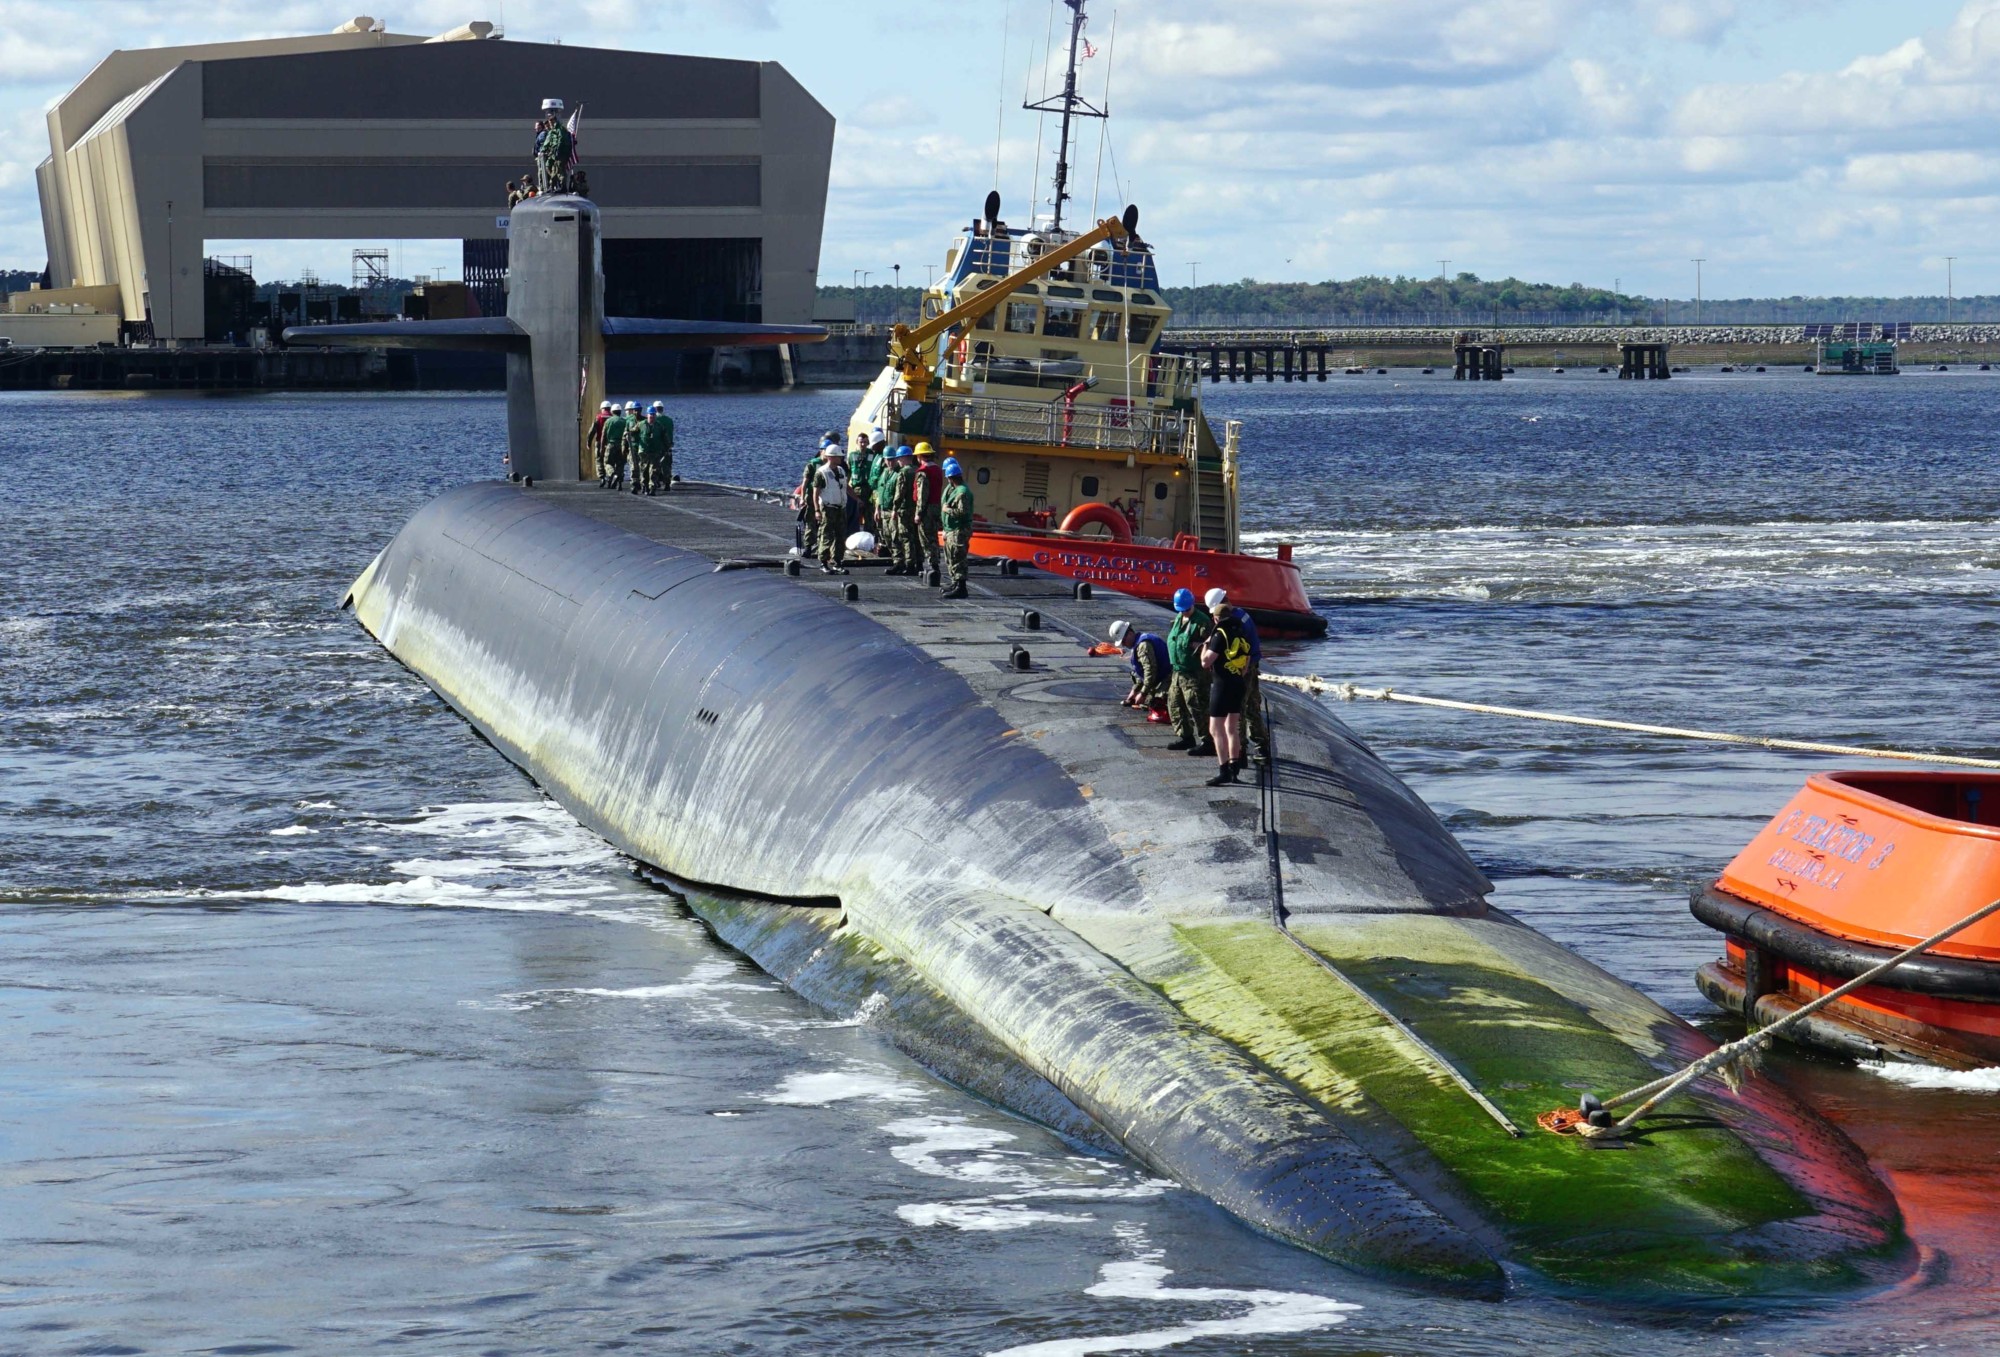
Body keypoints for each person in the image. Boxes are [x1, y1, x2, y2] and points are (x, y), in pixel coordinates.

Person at [1205, 587, 1265, 753]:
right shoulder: (1241, 614)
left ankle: (1241, 750)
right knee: (1253, 707)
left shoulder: (1233, 623)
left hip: (1241, 669)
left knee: (1238, 710)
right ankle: (1261, 745)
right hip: (1252, 663)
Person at [1201, 602, 1253, 785]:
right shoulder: (1240, 631)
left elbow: (1206, 663)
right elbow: (1245, 666)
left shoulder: (1219, 635)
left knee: (1215, 729)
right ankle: (1234, 770)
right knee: (1232, 729)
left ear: (1215, 618)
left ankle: (1223, 771)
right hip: (1238, 683)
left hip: (1222, 685)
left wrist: (1204, 647)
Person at [1165, 587, 1214, 755]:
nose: (1183, 612)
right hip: (1178, 672)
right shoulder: (1179, 618)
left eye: (1186, 609)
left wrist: (1199, 645)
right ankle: (1186, 737)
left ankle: (1208, 741)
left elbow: (1210, 644)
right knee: (1175, 704)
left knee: (1198, 707)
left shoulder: (1202, 622)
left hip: (1195, 674)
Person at [1110, 620, 1170, 718]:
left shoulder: (1143, 646)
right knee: (1147, 701)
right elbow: (1140, 673)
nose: (1124, 645)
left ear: (1129, 633)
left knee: (1154, 703)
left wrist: (1143, 693)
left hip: (1168, 677)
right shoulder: (1137, 643)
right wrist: (1134, 691)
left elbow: (1150, 671)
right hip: (1160, 677)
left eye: (1123, 641)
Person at [813, 445, 852, 573]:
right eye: (838, 456)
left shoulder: (841, 470)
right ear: (831, 457)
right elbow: (816, 493)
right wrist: (817, 510)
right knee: (826, 535)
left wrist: (857, 499)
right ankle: (823, 562)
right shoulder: (821, 473)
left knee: (840, 536)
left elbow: (846, 487)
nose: (841, 458)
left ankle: (837, 561)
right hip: (828, 508)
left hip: (840, 508)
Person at [939, 457, 974, 597]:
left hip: (959, 529)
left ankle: (961, 587)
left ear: (951, 478)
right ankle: (955, 582)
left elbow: (962, 512)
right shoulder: (954, 489)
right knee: (951, 558)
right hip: (952, 529)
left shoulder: (962, 492)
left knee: (958, 557)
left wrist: (947, 510)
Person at [913, 442, 945, 581]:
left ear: (920, 456)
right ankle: (935, 563)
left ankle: (932, 566)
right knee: (933, 537)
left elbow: (922, 495)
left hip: (927, 509)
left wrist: (919, 513)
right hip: (936, 507)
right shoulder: (938, 469)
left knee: (926, 538)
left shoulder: (923, 472)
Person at [891, 445, 922, 576]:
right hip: (915, 509)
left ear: (904, 458)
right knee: (916, 537)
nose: (898, 461)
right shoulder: (918, 470)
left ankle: (909, 564)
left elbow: (900, 493)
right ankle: (919, 563)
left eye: (899, 458)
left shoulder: (903, 473)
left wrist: (895, 508)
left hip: (905, 509)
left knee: (905, 537)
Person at [534, 98, 573, 195]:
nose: (550, 124)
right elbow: (547, 143)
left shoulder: (560, 130)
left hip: (559, 154)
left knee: (559, 170)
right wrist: (543, 150)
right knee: (548, 166)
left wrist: (558, 151)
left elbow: (561, 142)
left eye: (551, 122)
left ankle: (562, 186)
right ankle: (552, 185)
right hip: (552, 154)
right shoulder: (551, 131)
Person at [598, 400, 629, 490]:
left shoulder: (608, 421)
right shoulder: (624, 421)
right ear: (620, 412)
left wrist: (601, 448)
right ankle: (619, 484)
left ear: (612, 411)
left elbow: (603, 435)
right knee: (620, 464)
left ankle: (612, 474)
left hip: (611, 445)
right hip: (621, 445)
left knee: (607, 462)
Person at [587, 399, 612, 479]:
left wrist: (589, 442)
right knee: (609, 461)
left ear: (602, 408)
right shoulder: (613, 417)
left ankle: (602, 477)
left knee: (599, 460)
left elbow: (592, 431)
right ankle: (611, 475)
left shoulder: (598, 417)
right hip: (610, 443)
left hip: (599, 442)